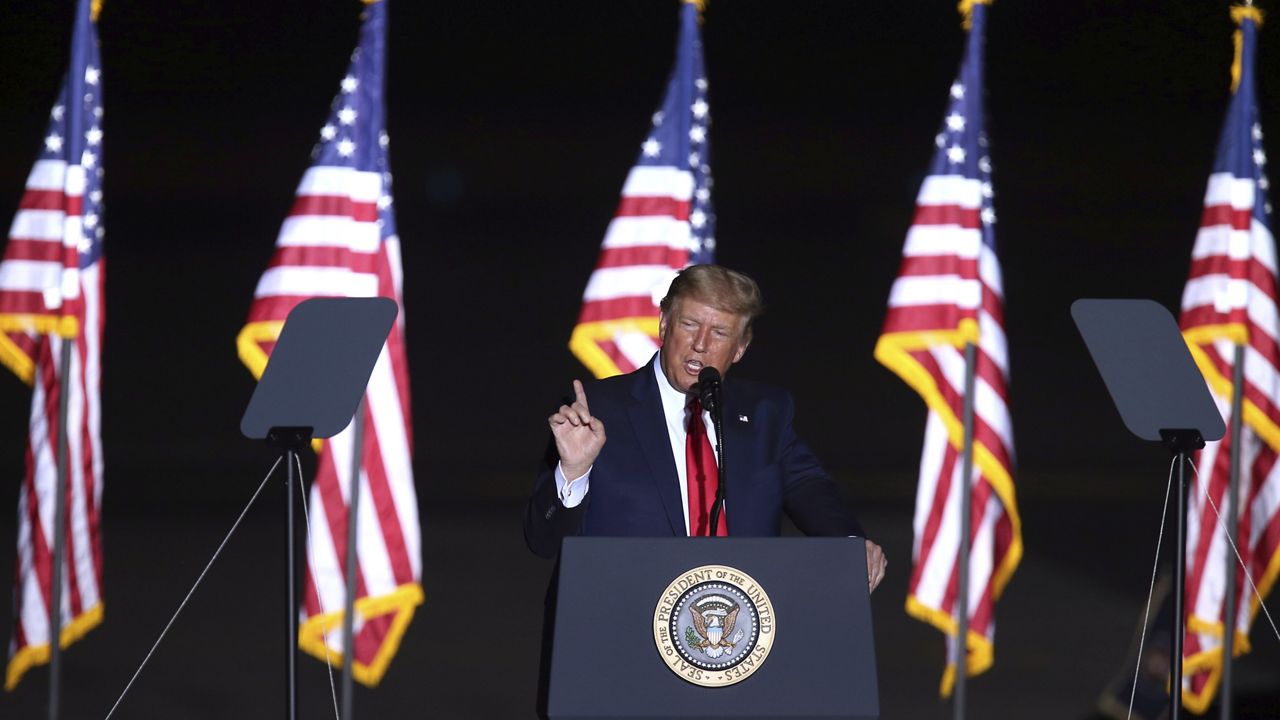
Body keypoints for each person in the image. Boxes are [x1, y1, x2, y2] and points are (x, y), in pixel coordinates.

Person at [524, 264, 887, 592]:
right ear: (664, 324)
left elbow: (810, 487)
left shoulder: (765, 414)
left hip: (737, 639)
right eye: (689, 324)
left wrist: (850, 542)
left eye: (719, 332)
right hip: (620, 632)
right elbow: (543, 541)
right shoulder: (597, 410)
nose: (701, 343)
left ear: (740, 348)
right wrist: (574, 472)